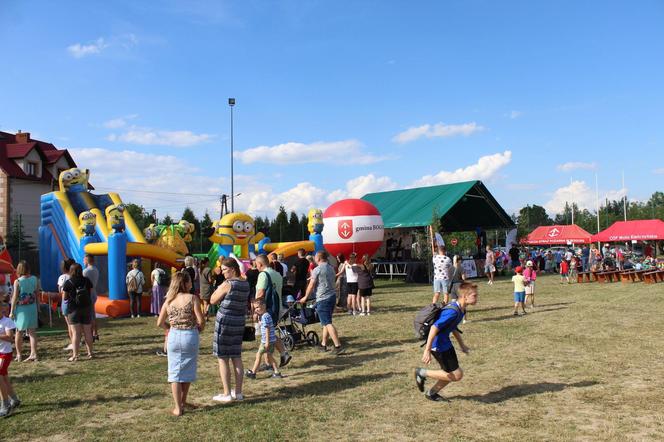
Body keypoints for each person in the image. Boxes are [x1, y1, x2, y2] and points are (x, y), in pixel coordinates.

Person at [414, 282, 478, 401]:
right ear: (464, 296)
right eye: (474, 295)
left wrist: (462, 345)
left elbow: (452, 327)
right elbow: (434, 328)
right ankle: (421, 373)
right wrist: (427, 350)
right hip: (437, 345)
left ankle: (431, 393)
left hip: (445, 343)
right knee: (456, 375)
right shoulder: (452, 311)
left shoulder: (461, 309)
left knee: (450, 373)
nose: (477, 298)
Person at [157, 271, 204, 417]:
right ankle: (183, 402)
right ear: (184, 283)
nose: (191, 283)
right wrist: (199, 330)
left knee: (175, 372)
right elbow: (201, 321)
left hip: (174, 336)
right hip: (190, 335)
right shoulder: (192, 298)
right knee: (188, 370)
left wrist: (169, 329)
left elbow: (159, 322)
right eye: (190, 281)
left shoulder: (168, 300)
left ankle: (178, 407)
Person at [210, 258, 250, 402]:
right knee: (236, 356)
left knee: (223, 358)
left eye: (225, 269)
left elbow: (213, 300)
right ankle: (238, 393)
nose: (222, 272)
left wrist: (220, 286)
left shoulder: (228, 284)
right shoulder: (245, 283)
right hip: (239, 322)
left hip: (225, 322)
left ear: (233, 269)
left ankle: (227, 393)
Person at [300, 251, 345, 355]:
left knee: (328, 323)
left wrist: (305, 297)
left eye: (315, 257)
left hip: (323, 299)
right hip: (332, 297)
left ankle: (338, 346)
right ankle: (323, 344)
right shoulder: (331, 268)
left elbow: (311, 285)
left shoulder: (317, 269)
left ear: (318, 258)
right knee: (325, 322)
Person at [255, 255, 292, 367]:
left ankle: (274, 359)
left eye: (256, 265)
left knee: (267, 334)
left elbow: (260, 293)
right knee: (269, 333)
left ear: (260, 264)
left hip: (266, 308)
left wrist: (256, 310)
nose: (256, 267)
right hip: (277, 307)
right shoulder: (277, 274)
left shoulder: (263, 274)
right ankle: (277, 357)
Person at [62, 263, 94, 361]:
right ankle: (90, 353)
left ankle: (75, 355)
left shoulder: (68, 282)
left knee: (76, 333)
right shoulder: (87, 281)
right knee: (88, 332)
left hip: (73, 309)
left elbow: (64, 298)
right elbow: (90, 294)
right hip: (86, 308)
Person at [245, 298, 283, 380]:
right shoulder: (266, 315)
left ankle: (253, 372)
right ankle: (277, 372)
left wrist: (267, 342)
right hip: (271, 340)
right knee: (269, 356)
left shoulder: (265, 317)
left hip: (267, 341)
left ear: (264, 306)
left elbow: (267, 329)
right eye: (255, 308)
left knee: (258, 355)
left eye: (258, 307)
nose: (256, 309)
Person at [10, 261, 40, 362]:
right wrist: (38, 307)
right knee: (32, 332)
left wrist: (11, 311)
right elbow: (37, 295)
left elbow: (14, 297)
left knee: (19, 332)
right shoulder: (35, 279)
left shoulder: (17, 281)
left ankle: (19, 355)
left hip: (21, 309)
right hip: (32, 308)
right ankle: (34, 353)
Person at [0, 300, 20, 417]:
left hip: (5, 354)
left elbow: (9, 337)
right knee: (4, 378)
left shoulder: (6, 321)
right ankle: (14, 399)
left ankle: (5, 404)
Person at [58, 258, 75, 352]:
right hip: (75, 302)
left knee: (69, 324)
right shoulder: (75, 276)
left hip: (66, 302)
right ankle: (77, 340)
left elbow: (60, 291)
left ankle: (73, 342)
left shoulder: (62, 277)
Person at [83, 254, 100, 341]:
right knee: (93, 314)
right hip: (94, 293)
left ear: (86, 260)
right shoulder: (96, 270)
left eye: (84, 259)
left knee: (89, 316)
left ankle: (90, 334)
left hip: (88, 294)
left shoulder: (86, 271)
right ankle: (95, 333)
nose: (83, 261)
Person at [449, 255, 468, 323]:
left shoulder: (450, 268)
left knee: (454, 304)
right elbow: (464, 278)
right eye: (461, 260)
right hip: (459, 285)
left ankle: (453, 318)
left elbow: (449, 277)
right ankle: (464, 319)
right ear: (459, 260)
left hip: (452, 287)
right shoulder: (460, 268)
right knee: (462, 303)